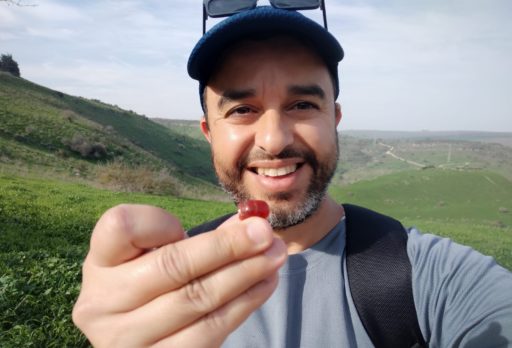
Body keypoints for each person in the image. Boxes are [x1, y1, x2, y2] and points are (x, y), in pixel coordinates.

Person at [72, 3, 512, 347]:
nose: (275, 139)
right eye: (242, 110)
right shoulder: (166, 288)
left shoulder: (430, 276)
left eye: (302, 105)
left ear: (334, 117)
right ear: (209, 132)